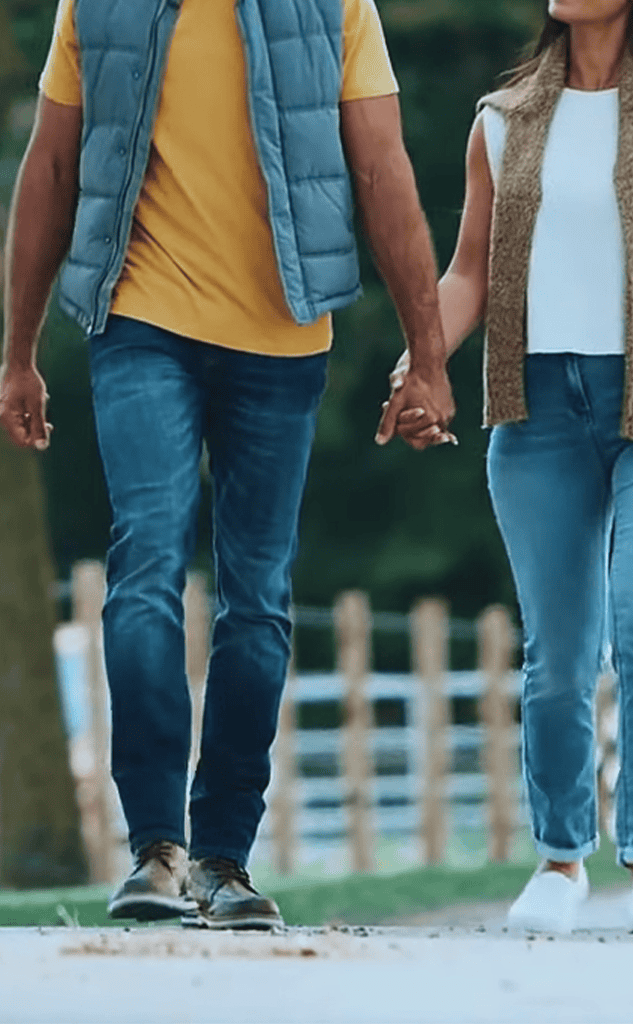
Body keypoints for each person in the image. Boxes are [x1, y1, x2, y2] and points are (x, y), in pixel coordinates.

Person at [0, 0, 455, 929]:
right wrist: (18, 354)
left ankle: (221, 859)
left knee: (257, 599)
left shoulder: (334, 7)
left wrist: (429, 355)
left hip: (284, 337)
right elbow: (50, 164)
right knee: (145, 571)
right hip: (140, 323)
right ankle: (156, 851)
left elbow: (380, 163)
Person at [386, 0, 633, 934]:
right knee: (559, 657)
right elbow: (470, 270)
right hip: (538, 405)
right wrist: (421, 362)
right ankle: (561, 861)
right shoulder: (502, 118)